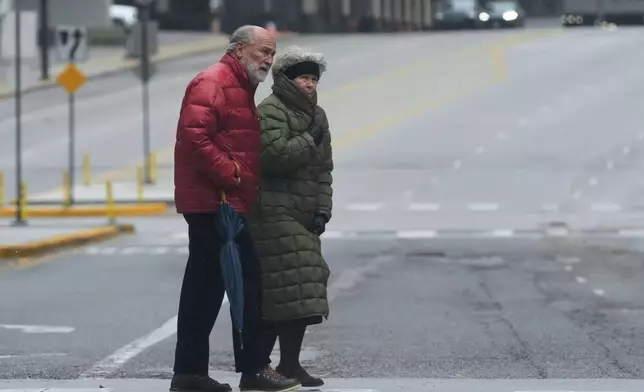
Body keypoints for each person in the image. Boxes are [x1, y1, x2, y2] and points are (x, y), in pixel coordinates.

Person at [171, 25, 302, 392]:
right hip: (216, 204)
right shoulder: (214, 81)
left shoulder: (239, 86)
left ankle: (192, 374)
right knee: (246, 285)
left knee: (207, 288)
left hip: (224, 203)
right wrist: (231, 173)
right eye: (264, 52)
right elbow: (194, 135)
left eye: (272, 54)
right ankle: (251, 369)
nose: (269, 60)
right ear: (240, 49)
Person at [249, 45, 334, 388]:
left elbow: (324, 169)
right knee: (289, 285)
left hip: (303, 213)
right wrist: (308, 139)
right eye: (303, 78)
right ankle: (265, 366)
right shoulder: (270, 111)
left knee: (300, 287)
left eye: (313, 78)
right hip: (272, 212)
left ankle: (288, 364)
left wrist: (323, 209)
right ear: (287, 79)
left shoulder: (319, 115)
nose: (310, 85)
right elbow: (274, 157)